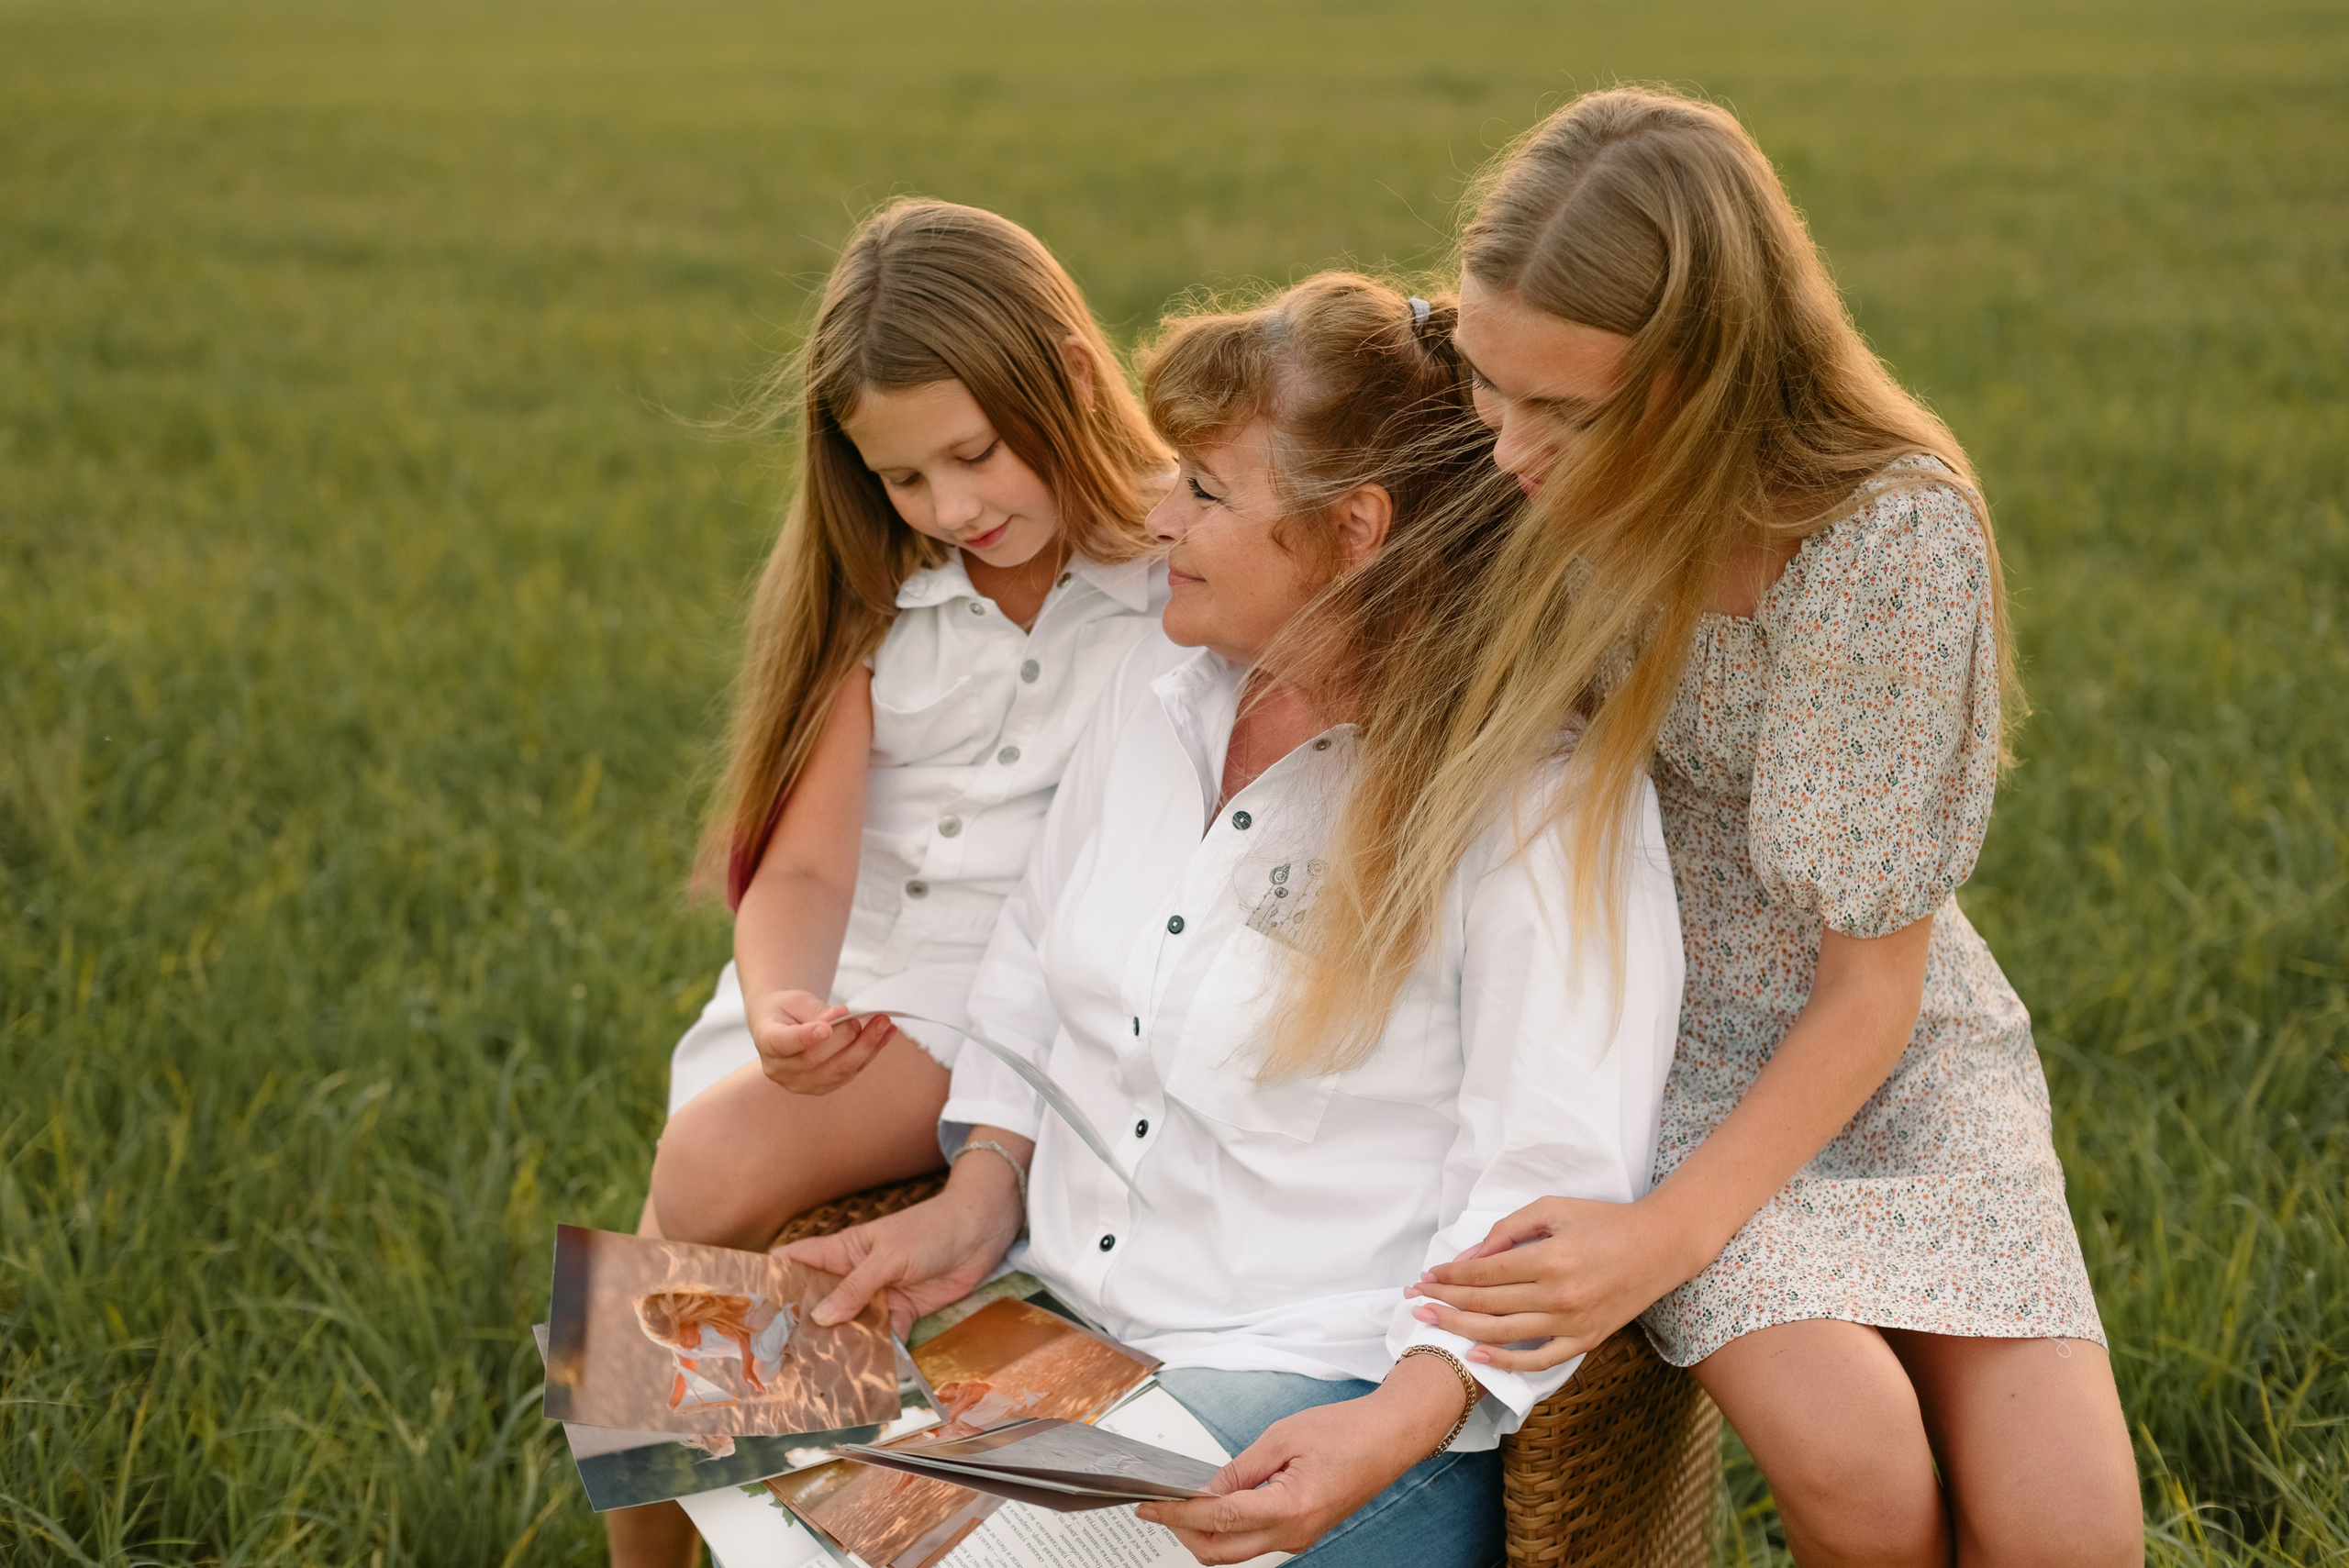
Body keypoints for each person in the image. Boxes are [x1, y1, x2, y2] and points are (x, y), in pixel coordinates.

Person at [785, 273, 1684, 1567]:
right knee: (773, 1486)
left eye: (1204, 492)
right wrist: (983, 1188)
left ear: (1355, 528)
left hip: (1322, 1401)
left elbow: (1546, 1191)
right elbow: (1034, 959)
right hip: (1064, 1339)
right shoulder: (1155, 683)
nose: (1156, 520)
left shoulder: (1536, 805)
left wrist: (1399, 1418)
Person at [1368, 89, 2142, 1566]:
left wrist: (1659, 1245)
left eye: (1566, 413)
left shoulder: (1881, 538)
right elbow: (1250, 442)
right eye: (1487, 380)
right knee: (1857, 1465)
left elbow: (1873, 985)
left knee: (2068, 1535)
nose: (1510, 445)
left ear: (1708, 378)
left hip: (1881, 1040)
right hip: (1653, 1027)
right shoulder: (1517, 435)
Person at [614, 198, 1172, 1567]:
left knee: (705, 1164)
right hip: (847, 993)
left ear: (1069, 374)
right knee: (695, 1194)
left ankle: (717, 1528)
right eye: (905, 477)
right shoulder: (887, 594)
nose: (951, 507)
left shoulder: (1168, 575)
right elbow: (801, 860)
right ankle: (699, 1529)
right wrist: (781, 998)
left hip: (1004, 1013)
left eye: (975, 455)